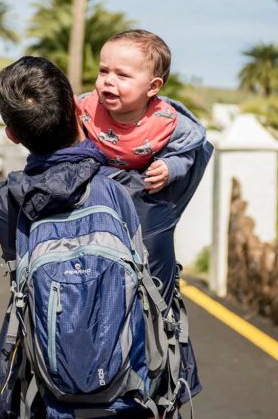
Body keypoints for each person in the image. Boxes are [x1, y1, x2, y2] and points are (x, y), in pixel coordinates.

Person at [0, 56, 210, 418]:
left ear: (12, 135)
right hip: (142, 395)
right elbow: (196, 142)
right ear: (78, 107)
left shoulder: (5, 202)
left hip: (54, 395)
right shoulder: (146, 190)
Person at [77, 29, 211, 305]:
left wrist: (168, 167)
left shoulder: (166, 122)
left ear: (153, 87)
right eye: (103, 72)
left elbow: (185, 153)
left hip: (139, 188)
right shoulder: (85, 108)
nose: (108, 82)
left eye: (122, 75)